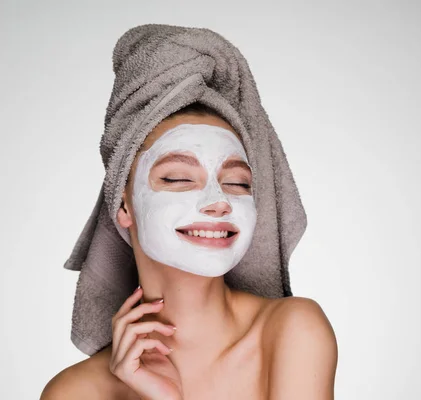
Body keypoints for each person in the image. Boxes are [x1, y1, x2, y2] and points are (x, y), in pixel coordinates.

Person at [41, 102, 338, 399]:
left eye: (237, 183)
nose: (219, 201)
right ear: (123, 205)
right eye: (178, 179)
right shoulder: (74, 392)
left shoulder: (295, 331)